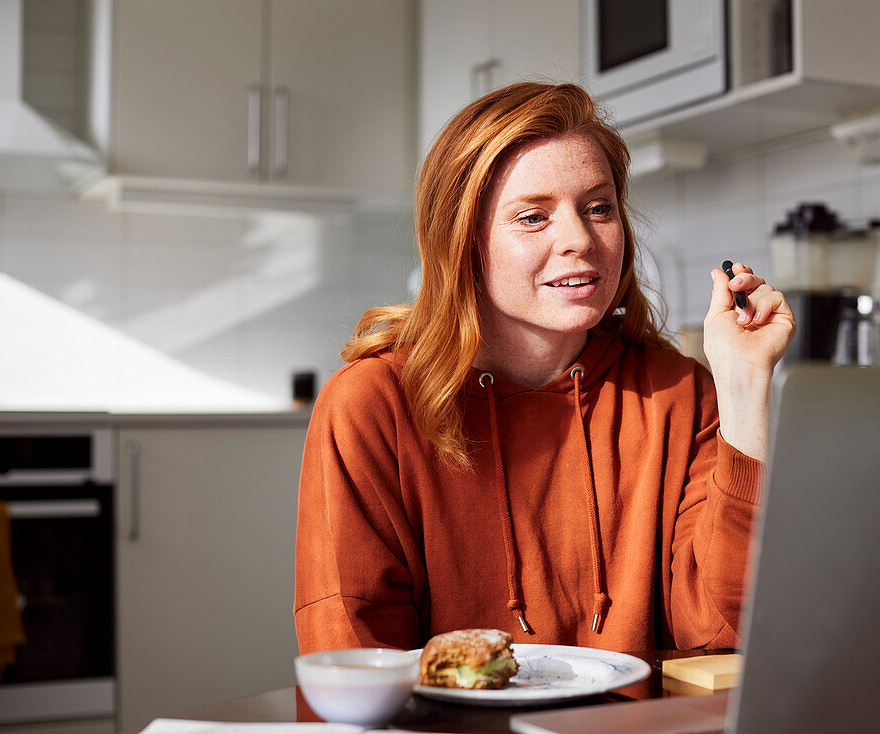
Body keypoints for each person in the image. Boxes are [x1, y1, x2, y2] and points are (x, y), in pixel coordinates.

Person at [294, 82, 795, 654]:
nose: (580, 239)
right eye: (533, 217)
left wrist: (745, 387)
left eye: (599, 207)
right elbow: (353, 659)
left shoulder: (679, 394)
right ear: (464, 241)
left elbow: (725, 638)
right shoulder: (370, 405)